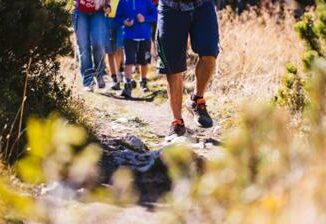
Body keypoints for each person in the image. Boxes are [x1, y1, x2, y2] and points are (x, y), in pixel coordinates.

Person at [156, 0, 220, 139]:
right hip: (171, 7)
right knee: (173, 66)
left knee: (210, 52)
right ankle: (177, 122)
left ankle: (196, 100)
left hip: (202, 5)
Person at [115, 0, 158, 98]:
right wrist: (124, 22)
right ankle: (128, 85)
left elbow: (155, 15)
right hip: (129, 36)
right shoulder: (123, 2)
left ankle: (143, 82)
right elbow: (117, 18)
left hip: (144, 36)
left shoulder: (146, 1)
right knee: (129, 60)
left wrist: (145, 19)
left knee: (144, 61)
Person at [73, 0, 110, 92]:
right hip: (80, 11)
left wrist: (106, 3)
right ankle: (88, 81)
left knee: (99, 44)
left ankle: (99, 73)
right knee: (84, 47)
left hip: (98, 12)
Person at [105, 0, 125, 90]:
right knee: (109, 51)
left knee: (119, 48)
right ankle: (114, 78)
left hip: (120, 18)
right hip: (107, 18)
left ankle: (119, 73)